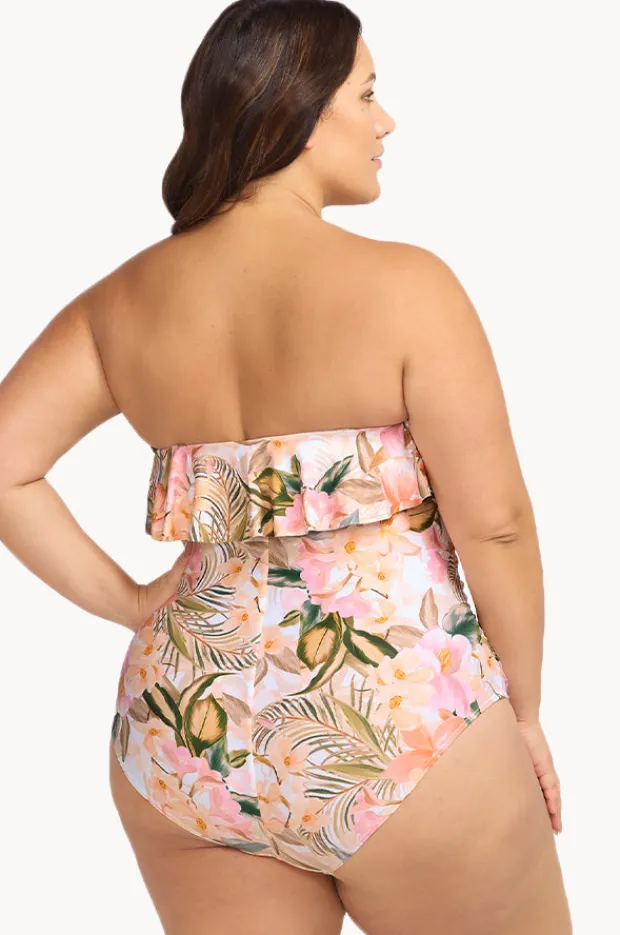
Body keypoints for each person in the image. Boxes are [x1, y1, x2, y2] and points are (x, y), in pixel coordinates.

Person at [0, 1, 572, 933]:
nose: (387, 121)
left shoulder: (122, 303)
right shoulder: (408, 285)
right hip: (399, 721)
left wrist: (136, 603)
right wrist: (527, 713)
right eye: (368, 95)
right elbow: (496, 524)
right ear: (300, 109)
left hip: (187, 732)